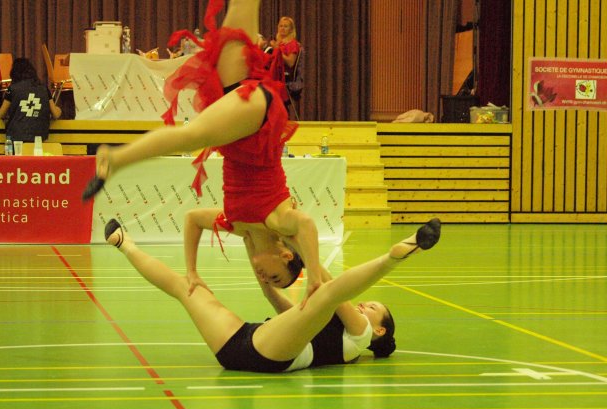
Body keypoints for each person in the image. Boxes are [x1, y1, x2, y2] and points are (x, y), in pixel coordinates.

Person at [82, 0, 322, 301]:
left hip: (237, 116)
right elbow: (306, 224)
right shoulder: (276, 221)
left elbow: (193, 219)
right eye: (275, 276)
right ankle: (115, 158)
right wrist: (315, 280)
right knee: (190, 136)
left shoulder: (237, 227)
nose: (265, 278)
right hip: (256, 120)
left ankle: (115, 159)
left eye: (270, 280)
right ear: (286, 254)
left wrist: (192, 272)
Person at [103, 217, 440, 373]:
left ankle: (392, 258)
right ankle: (125, 244)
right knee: (185, 287)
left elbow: (331, 291)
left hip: (273, 356)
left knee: (325, 295)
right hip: (241, 342)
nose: (366, 305)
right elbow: (280, 304)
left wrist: (299, 247)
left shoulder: (360, 337)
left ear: (379, 329)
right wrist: (259, 263)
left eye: (373, 308)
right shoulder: (307, 324)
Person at [0, 58, 62, 142]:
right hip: (39, 137)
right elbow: (55, 114)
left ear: (14, 73)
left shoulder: (13, 89)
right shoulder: (44, 89)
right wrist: (59, 110)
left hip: (17, 136)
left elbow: (1, 114)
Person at [267, 16, 302, 103]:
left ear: (291, 29)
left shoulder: (292, 44)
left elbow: (290, 62)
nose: (282, 28)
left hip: (283, 76)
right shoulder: (279, 43)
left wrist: (277, 50)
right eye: (281, 26)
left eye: (285, 26)